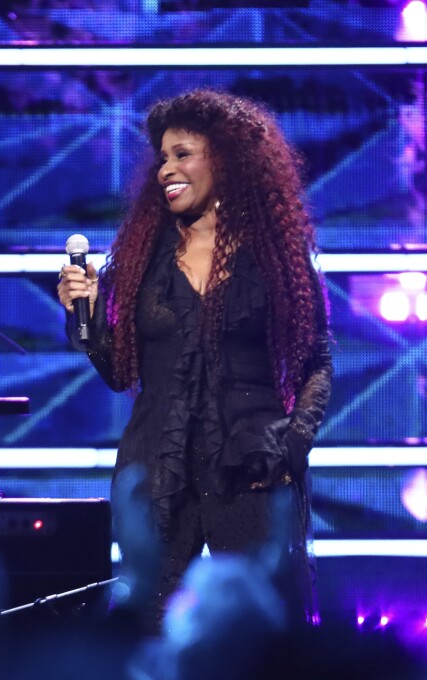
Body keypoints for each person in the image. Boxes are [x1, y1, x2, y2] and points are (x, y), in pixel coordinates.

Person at [57, 89, 332, 629]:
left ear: (226, 158)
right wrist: (81, 315)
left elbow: (317, 361)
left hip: (252, 465)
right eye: (162, 158)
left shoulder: (277, 255)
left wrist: (290, 449)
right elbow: (118, 374)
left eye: (182, 154)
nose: (167, 169)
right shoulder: (142, 259)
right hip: (158, 468)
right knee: (149, 627)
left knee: (261, 632)